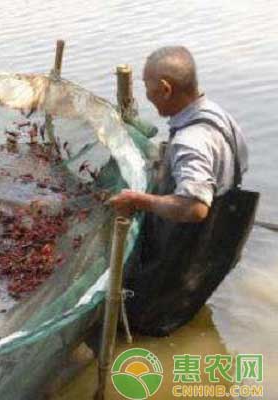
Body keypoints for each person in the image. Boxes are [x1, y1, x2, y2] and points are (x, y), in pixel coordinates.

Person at [108, 46, 255, 336]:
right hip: (218, 242)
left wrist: (138, 199)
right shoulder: (216, 114)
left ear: (165, 88)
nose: (147, 96)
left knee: (141, 321)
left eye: (147, 88)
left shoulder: (191, 140)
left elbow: (196, 207)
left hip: (187, 244)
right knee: (185, 297)